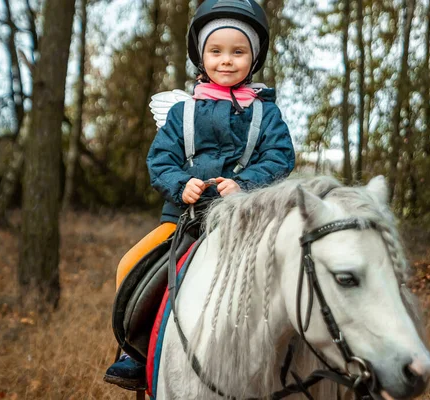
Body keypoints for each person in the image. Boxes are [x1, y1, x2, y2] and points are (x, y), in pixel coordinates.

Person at [104, 0, 295, 391]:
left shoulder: (266, 114)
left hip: (246, 222)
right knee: (130, 264)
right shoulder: (182, 113)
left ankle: (288, 357)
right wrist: (181, 184)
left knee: (292, 270)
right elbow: (161, 160)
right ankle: (135, 353)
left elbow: (280, 157)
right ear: (201, 56)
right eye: (216, 51)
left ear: (253, 59)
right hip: (182, 220)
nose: (226, 60)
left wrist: (247, 183)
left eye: (238, 52)